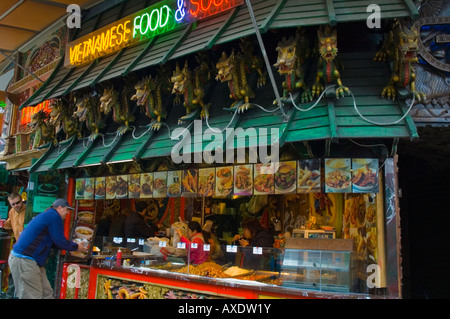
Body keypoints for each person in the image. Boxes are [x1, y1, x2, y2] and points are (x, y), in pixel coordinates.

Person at [8, 198, 87, 299]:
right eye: (67, 209)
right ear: (59, 207)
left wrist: (71, 248)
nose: (68, 213)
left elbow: (54, 242)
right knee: (33, 296)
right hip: (24, 260)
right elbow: (59, 240)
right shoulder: (54, 216)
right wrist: (76, 247)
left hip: (30, 261)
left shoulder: (48, 215)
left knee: (47, 293)